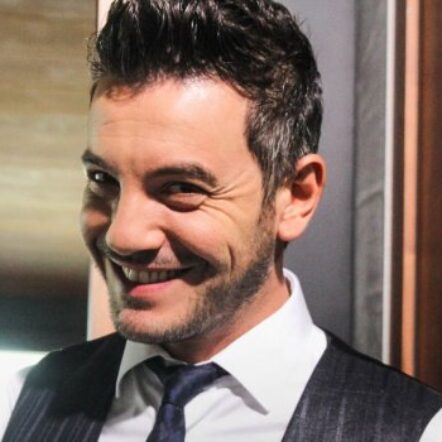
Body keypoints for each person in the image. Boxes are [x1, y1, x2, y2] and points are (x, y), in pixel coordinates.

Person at [1, 0, 441, 440]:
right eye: (103, 179)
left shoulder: (420, 431)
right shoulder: (13, 405)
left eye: (181, 187)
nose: (123, 235)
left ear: (296, 196)